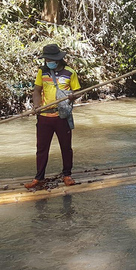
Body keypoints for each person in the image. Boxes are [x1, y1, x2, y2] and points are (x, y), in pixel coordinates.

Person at [24, 44, 81, 189]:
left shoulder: (70, 73)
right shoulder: (42, 72)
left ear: (58, 59)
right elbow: (37, 91)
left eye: (50, 58)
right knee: (42, 148)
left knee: (66, 147)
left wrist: (72, 97)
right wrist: (36, 106)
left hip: (62, 116)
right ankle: (39, 177)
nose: (48, 61)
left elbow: (78, 92)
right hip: (44, 116)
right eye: (46, 59)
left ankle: (67, 175)